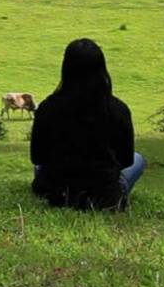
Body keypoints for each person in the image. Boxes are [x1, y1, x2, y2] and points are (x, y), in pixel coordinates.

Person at [30, 38, 146, 210]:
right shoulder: (118, 109)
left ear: (66, 68)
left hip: (58, 190)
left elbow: (37, 157)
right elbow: (126, 159)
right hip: (103, 193)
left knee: (41, 168)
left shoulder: (48, 107)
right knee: (138, 159)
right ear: (102, 68)